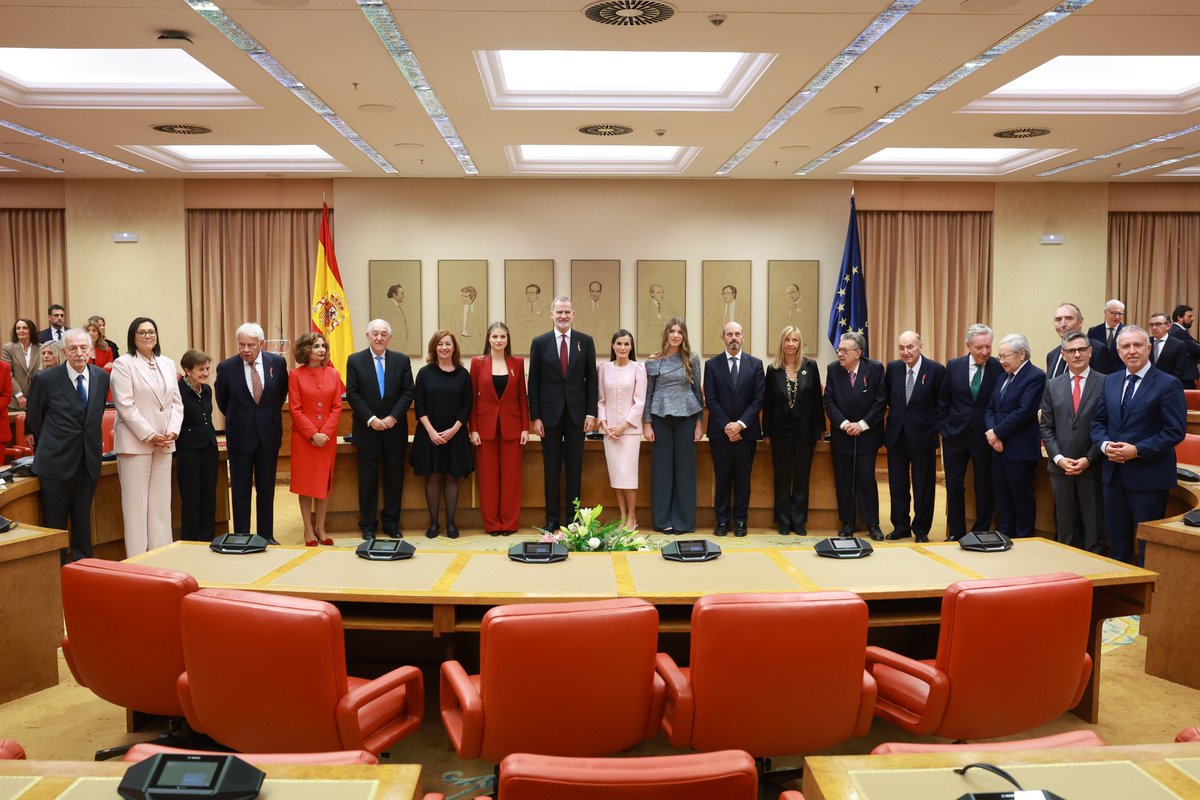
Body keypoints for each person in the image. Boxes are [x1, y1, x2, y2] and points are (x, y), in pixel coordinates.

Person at [1092, 325, 1187, 563]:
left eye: (1137, 345)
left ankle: (1144, 598)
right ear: (1118, 351)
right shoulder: (1110, 381)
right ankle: (1119, 594)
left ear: (1149, 348)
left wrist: (1137, 450)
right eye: (1125, 346)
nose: (1132, 351)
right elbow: (1098, 423)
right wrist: (1104, 446)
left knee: (1146, 546)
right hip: (1113, 476)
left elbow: (1174, 431)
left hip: (1149, 478)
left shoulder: (1168, 384)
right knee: (1116, 541)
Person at [25, 329, 109, 562]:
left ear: (91, 350)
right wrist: (56, 442)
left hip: (88, 462)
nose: (79, 353)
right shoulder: (46, 379)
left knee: (83, 521)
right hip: (55, 464)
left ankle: (83, 568)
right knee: (56, 525)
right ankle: (58, 572)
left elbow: (96, 413)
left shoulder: (102, 377)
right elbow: (34, 419)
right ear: (64, 352)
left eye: (84, 348)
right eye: (73, 348)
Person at [110, 316, 183, 557]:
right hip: (136, 444)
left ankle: (162, 556)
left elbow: (176, 404)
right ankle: (138, 561)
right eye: (141, 332)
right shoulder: (123, 364)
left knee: (161, 505)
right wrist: (150, 434)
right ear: (133, 337)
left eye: (151, 331)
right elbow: (125, 405)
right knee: (136, 507)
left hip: (165, 443)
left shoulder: (168, 363)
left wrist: (172, 430)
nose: (147, 336)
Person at [214, 322, 289, 543]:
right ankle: (242, 535)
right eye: (242, 345)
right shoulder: (226, 368)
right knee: (240, 489)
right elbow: (222, 401)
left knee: (266, 489)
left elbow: (280, 393)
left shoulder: (277, 363)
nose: (246, 349)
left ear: (261, 344)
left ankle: (266, 535)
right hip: (240, 436)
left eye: (251, 345)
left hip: (268, 435)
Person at [528, 296, 598, 530]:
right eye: (559, 312)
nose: (563, 316)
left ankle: (573, 519)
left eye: (567, 312)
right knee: (551, 468)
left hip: (578, 415)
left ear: (573, 314)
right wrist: (535, 416)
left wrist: (591, 413)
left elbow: (592, 380)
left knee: (575, 468)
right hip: (548, 416)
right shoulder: (540, 342)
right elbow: (534, 383)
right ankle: (551, 518)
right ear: (551, 314)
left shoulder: (585, 342)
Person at [346, 319, 414, 539]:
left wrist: (393, 418)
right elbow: (353, 394)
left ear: (389, 338)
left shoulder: (401, 361)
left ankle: (392, 523)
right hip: (367, 430)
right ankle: (367, 525)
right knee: (368, 480)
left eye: (383, 334)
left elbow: (408, 392)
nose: (379, 338)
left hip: (395, 430)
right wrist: (372, 419)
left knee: (394, 479)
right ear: (367, 336)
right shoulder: (355, 361)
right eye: (375, 333)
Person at [1039, 331, 1105, 553]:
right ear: (1063, 355)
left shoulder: (1106, 382)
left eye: (1081, 349)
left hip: (1093, 466)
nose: (1077, 354)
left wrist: (1089, 458)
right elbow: (1046, 427)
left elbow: (1107, 427)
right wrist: (1058, 458)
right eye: (1071, 351)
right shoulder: (1052, 385)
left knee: (1094, 530)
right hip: (1061, 468)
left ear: (1090, 352)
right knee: (1065, 529)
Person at [938, 323, 1002, 541]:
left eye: (988, 347)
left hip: (985, 437)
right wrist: (944, 428)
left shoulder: (997, 367)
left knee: (984, 486)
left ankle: (981, 530)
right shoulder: (954, 366)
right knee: (955, 486)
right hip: (954, 436)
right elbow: (943, 401)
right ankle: (956, 531)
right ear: (968, 346)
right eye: (979, 347)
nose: (985, 352)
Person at [883, 331, 946, 543]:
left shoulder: (936, 370)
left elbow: (942, 404)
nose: (905, 352)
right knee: (897, 485)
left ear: (920, 346)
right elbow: (888, 398)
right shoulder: (893, 368)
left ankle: (921, 529)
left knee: (923, 486)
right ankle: (900, 526)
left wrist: (934, 428)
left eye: (910, 347)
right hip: (897, 436)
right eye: (901, 347)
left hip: (923, 437)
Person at [824, 331, 887, 539]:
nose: (839, 354)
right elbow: (829, 401)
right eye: (839, 350)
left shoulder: (875, 369)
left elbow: (880, 402)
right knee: (844, 480)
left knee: (866, 479)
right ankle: (848, 522)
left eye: (844, 350)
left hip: (866, 435)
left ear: (858, 353)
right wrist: (844, 424)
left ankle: (872, 523)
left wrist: (861, 425)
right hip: (842, 434)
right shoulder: (833, 370)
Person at [644, 318, 704, 534]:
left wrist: (700, 422)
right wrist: (647, 423)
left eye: (680, 331)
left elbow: (698, 392)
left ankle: (684, 522)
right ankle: (662, 521)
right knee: (662, 471)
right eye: (672, 331)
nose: (676, 335)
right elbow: (648, 393)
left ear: (684, 335)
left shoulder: (692, 358)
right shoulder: (653, 360)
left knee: (685, 471)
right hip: (660, 418)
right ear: (666, 334)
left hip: (687, 417)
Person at [704, 321, 764, 537]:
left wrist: (740, 425)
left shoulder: (755, 364)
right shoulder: (712, 365)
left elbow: (758, 399)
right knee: (721, 479)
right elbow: (710, 400)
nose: (734, 338)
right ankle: (721, 521)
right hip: (720, 434)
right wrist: (728, 426)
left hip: (746, 434)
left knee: (743, 479)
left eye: (737, 334)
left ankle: (740, 521)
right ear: (723, 338)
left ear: (743, 336)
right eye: (729, 334)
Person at [411, 330, 473, 538]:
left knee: (451, 476)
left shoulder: (463, 374)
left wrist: (454, 430)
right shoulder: (424, 373)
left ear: (454, 347)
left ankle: (452, 524)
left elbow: (467, 406)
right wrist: (431, 432)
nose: (444, 347)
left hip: (455, 434)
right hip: (429, 433)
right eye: (440, 344)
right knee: (434, 476)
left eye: (448, 343)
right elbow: (419, 406)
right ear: (434, 348)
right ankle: (434, 523)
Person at [469, 322, 529, 535]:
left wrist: (525, 428)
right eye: (495, 336)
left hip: (512, 427)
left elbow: (522, 396)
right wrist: (473, 429)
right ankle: (492, 524)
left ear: (507, 339)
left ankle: (509, 523)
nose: (498, 340)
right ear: (488, 339)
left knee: (511, 478)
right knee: (488, 479)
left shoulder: (517, 363)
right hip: (484, 428)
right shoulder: (477, 363)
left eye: (502, 337)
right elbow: (472, 399)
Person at [763, 326, 824, 535]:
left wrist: (821, 430)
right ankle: (783, 520)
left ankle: (798, 520)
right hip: (781, 431)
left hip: (805, 430)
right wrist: (767, 433)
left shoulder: (810, 366)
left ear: (800, 343)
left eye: (795, 340)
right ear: (782, 343)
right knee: (781, 476)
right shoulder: (773, 369)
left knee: (801, 476)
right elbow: (768, 404)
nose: (791, 344)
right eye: (787, 339)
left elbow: (817, 400)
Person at [986, 333, 1046, 538]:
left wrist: (996, 433)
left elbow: (1024, 411)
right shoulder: (1002, 377)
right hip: (998, 447)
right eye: (999, 356)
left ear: (1021, 354)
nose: (1001, 361)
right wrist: (993, 435)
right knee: (1002, 498)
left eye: (1005, 356)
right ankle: (1004, 535)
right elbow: (990, 408)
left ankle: (1024, 538)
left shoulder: (1035, 376)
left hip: (1019, 450)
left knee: (1021, 499)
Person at [288, 332, 343, 547]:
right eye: (316, 346)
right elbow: (295, 409)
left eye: (323, 346)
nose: (321, 350)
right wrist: (312, 434)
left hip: (326, 439)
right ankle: (308, 530)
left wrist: (325, 433)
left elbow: (337, 407)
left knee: (322, 484)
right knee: (306, 485)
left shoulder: (333, 374)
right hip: (304, 439)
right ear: (305, 350)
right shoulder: (295, 375)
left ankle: (321, 527)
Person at [597, 329, 646, 530]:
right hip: (609, 432)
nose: (622, 347)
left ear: (631, 347)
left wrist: (624, 425)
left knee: (629, 474)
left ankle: (632, 516)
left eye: (626, 344)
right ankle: (623, 515)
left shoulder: (638, 369)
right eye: (619, 344)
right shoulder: (603, 369)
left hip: (630, 432)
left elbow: (639, 401)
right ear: (612, 346)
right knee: (616, 475)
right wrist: (605, 424)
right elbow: (601, 400)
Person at [176, 349, 219, 542]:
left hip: (209, 448)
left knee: (209, 496)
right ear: (187, 370)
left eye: (207, 369)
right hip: (188, 450)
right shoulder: (177, 391)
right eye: (201, 369)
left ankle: (207, 538)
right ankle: (191, 540)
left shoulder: (207, 390)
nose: (205, 373)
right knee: (191, 498)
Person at [1045, 303, 1110, 378]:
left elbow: (1102, 384)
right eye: (1058, 319)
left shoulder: (1098, 350)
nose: (1063, 324)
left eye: (1069, 318)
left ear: (1080, 322)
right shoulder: (1052, 355)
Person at [2, 318, 41, 411]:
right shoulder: (8, 348)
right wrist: (19, 395)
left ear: (31, 330)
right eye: (18, 328)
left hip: (38, 399)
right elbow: (7, 374)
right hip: (15, 401)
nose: (21, 331)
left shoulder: (42, 348)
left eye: (24, 328)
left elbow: (44, 371)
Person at [1148, 312, 1190, 383]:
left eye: (1158, 324)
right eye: (1152, 325)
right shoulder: (1145, 342)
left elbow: (1178, 371)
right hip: (1147, 384)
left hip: (1167, 385)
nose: (1154, 328)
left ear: (1168, 326)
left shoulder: (1179, 344)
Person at [1168, 304, 1200, 389]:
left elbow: (1194, 345)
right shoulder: (1179, 332)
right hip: (1184, 377)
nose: (1192, 319)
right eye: (1189, 316)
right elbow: (1196, 350)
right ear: (1179, 318)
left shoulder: (1176, 330)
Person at [386, 283, 409, 352]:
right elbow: (385, 327)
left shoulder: (395, 306)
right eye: (401, 293)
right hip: (393, 346)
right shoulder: (388, 306)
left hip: (398, 346)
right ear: (394, 294)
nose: (403, 295)